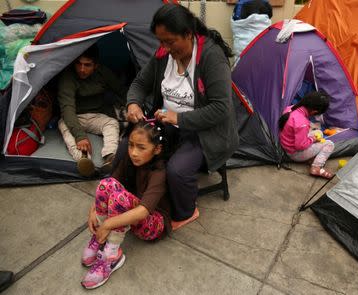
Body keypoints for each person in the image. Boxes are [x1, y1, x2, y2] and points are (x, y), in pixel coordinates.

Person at [125, 4, 239, 230]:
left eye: (170, 41)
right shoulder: (162, 54)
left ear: (188, 34)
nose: (165, 48)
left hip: (206, 131)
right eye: (161, 41)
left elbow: (221, 108)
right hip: (168, 123)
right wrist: (133, 103)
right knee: (127, 149)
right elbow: (139, 83)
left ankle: (188, 211)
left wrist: (179, 118)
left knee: (176, 170)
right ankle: (133, 199)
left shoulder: (210, 57)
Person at [80, 121, 171, 289]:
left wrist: (107, 224)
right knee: (105, 184)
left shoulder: (159, 172)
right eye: (130, 145)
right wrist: (93, 211)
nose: (134, 152)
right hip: (131, 209)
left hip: (153, 223)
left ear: (156, 149)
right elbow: (111, 183)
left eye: (141, 148)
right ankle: (100, 236)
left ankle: (112, 256)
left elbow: (143, 212)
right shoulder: (129, 160)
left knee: (120, 198)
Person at [58, 44, 127, 177]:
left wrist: (130, 106)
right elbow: (67, 108)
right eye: (79, 64)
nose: (82, 69)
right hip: (75, 116)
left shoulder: (103, 73)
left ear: (95, 66)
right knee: (63, 124)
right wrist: (80, 136)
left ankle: (110, 157)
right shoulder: (68, 77)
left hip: (98, 115)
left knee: (111, 123)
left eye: (87, 65)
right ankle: (83, 160)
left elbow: (121, 91)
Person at [279, 90, 335, 179]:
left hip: (286, 144)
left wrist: (312, 137)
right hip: (294, 154)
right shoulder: (302, 123)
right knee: (329, 144)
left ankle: (311, 159)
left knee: (319, 132)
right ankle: (316, 167)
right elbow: (300, 146)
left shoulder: (291, 108)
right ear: (314, 112)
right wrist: (313, 139)